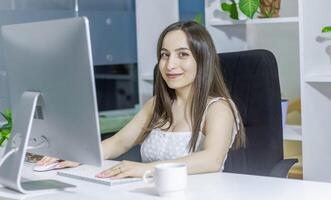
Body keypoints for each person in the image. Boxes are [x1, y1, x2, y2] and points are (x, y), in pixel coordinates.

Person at [37, 21, 245, 179]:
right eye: (165, 55)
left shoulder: (218, 108)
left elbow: (212, 160)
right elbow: (119, 142)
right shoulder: (157, 105)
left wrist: (145, 169)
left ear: (203, 60)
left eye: (182, 55)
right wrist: (78, 155)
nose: (170, 64)